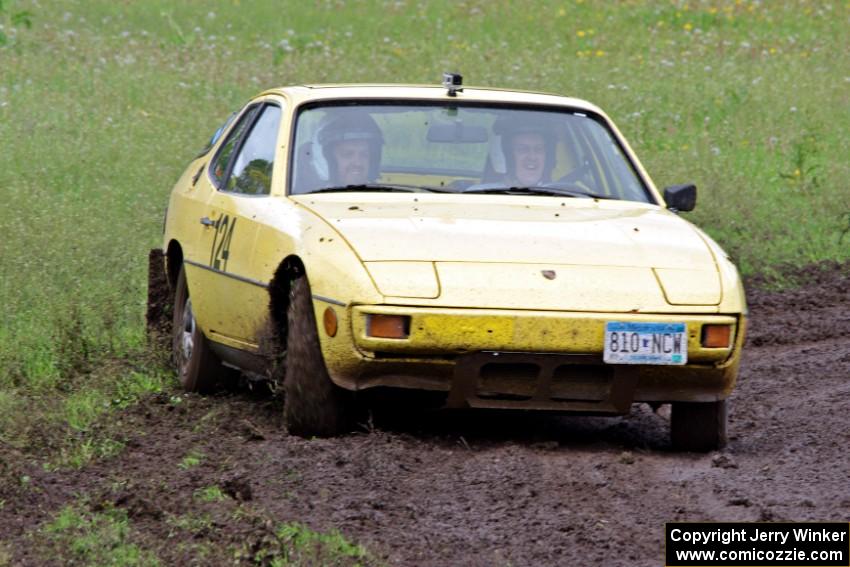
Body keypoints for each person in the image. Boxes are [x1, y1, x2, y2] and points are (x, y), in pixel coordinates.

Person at [316, 111, 384, 186]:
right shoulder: (313, 197)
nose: (358, 163)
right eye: (347, 155)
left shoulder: (384, 196)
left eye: (364, 155)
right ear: (328, 159)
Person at [492, 115, 557, 186]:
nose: (532, 157)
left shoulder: (562, 194)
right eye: (523, 149)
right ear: (508, 157)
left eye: (538, 149)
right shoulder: (485, 195)